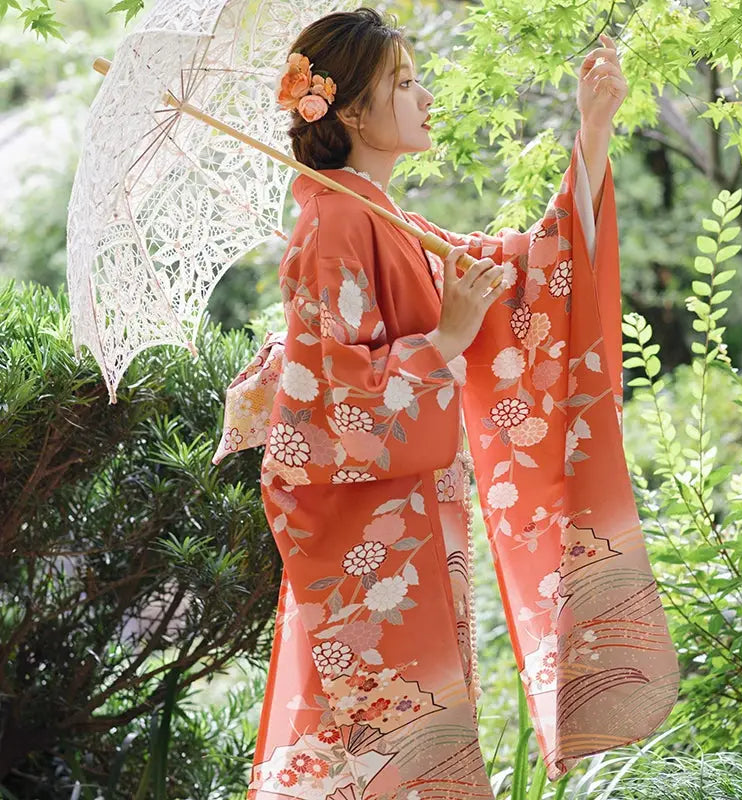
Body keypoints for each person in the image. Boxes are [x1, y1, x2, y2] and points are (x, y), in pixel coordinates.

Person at [213, 7, 680, 798]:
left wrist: (592, 134)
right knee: (376, 743)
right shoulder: (332, 221)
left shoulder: (381, 216)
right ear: (351, 109)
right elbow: (330, 399)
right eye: (403, 81)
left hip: (414, 522)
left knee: (404, 735)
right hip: (371, 544)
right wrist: (445, 340)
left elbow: (520, 276)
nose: (425, 94)